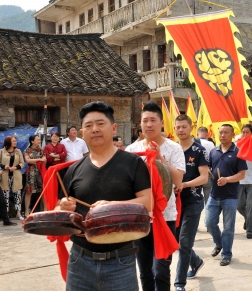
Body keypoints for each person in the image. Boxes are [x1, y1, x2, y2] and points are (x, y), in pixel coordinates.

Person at [55, 101, 152, 291]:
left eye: (100, 123)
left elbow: (148, 203)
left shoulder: (133, 163)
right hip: (80, 260)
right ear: (82, 132)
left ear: (113, 127)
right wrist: (63, 207)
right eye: (88, 125)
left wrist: (112, 206)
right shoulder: (73, 170)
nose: (94, 129)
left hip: (120, 261)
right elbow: (61, 207)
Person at [125, 101, 185, 291]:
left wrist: (160, 157)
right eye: (145, 121)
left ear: (161, 123)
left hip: (165, 217)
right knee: (144, 270)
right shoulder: (131, 151)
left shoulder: (174, 148)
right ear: (140, 124)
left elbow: (177, 180)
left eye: (153, 120)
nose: (149, 124)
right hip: (140, 217)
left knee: (161, 269)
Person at [174, 115, 209, 291]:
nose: (181, 130)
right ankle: (196, 261)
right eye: (178, 127)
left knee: (185, 242)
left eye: (183, 127)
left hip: (193, 201)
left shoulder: (199, 150)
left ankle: (179, 283)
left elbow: (203, 178)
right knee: (177, 241)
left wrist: (185, 184)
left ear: (191, 127)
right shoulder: (171, 149)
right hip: (174, 202)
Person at [206, 124, 247, 266]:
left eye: (226, 132)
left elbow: (242, 174)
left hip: (230, 196)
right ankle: (219, 244)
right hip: (214, 194)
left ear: (232, 134)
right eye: (221, 132)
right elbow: (209, 167)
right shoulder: (213, 152)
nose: (222, 135)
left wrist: (227, 179)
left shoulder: (238, 152)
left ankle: (226, 254)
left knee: (228, 228)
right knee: (209, 223)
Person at [0, 136, 24, 220]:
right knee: (5, 195)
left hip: (16, 175)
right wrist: (4, 166)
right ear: (8, 142)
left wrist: (15, 167)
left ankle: (18, 213)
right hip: (5, 176)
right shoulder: (2, 151)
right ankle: (5, 215)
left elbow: (22, 163)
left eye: (15, 141)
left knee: (17, 194)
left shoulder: (18, 151)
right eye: (13, 141)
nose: (15, 142)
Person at [24, 135, 46, 215]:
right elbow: (28, 160)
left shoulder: (41, 150)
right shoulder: (28, 150)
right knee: (29, 191)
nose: (39, 141)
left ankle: (45, 209)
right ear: (32, 141)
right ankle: (26, 211)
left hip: (41, 171)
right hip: (31, 172)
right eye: (37, 139)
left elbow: (45, 160)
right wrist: (39, 159)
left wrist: (36, 160)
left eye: (39, 140)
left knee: (43, 190)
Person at [196, 126, 215, 206]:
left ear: (197, 134)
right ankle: (208, 213)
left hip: (196, 174)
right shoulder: (210, 144)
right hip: (208, 172)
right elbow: (214, 158)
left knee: (196, 195)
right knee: (208, 195)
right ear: (207, 135)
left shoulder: (193, 142)